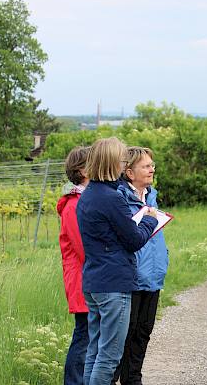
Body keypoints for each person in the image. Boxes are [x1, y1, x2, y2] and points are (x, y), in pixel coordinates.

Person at [77, 137, 159, 385]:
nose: (125, 166)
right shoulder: (111, 198)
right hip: (114, 283)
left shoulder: (89, 194)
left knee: (95, 351)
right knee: (110, 356)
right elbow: (133, 239)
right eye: (123, 161)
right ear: (112, 162)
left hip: (93, 281)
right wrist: (150, 219)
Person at [113, 147, 169, 385]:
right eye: (146, 166)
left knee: (143, 334)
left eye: (152, 165)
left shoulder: (151, 196)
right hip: (132, 278)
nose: (152, 169)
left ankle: (133, 380)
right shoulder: (120, 199)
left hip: (153, 277)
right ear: (129, 172)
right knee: (123, 337)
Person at [57, 146, 92, 385]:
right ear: (81, 170)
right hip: (82, 279)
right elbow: (83, 247)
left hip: (88, 276)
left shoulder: (83, 200)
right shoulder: (73, 205)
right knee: (83, 336)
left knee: (88, 336)